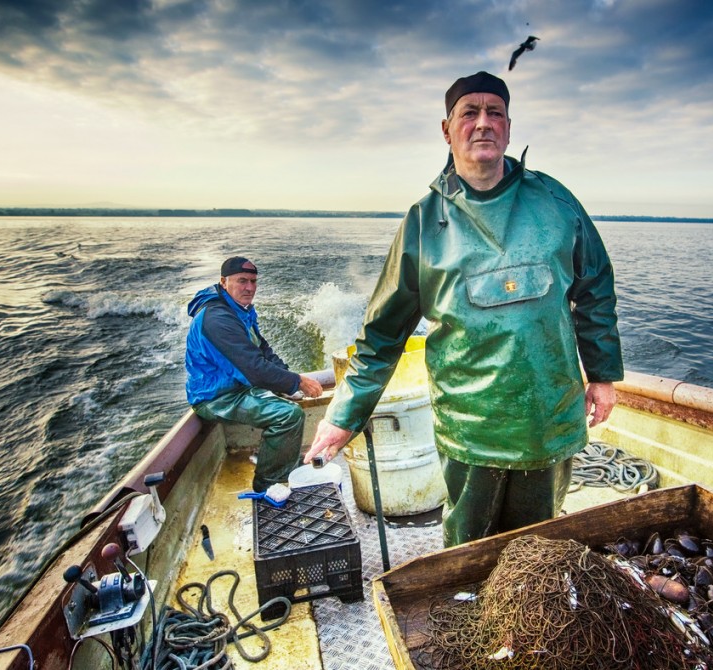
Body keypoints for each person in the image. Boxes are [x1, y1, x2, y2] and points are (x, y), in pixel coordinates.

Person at [304, 71, 624, 546]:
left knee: (540, 548)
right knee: (469, 549)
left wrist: (601, 374)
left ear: (509, 128)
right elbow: (383, 334)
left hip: (548, 417)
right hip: (470, 428)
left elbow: (595, 287)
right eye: (469, 113)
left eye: (495, 113)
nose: (483, 123)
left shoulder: (556, 201)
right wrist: (344, 415)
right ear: (447, 129)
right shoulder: (422, 222)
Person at [186, 256, 323, 492]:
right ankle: (268, 484)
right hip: (216, 397)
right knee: (287, 415)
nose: (250, 288)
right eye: (242, 281)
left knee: (288, 400)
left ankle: (284, 464)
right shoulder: (217, 319)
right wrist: (297, 382)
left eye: (253, 281)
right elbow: (255, 369)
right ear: (224, 282)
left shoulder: (238, 309)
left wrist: (287, 379)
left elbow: (262, 350)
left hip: (238, 386)